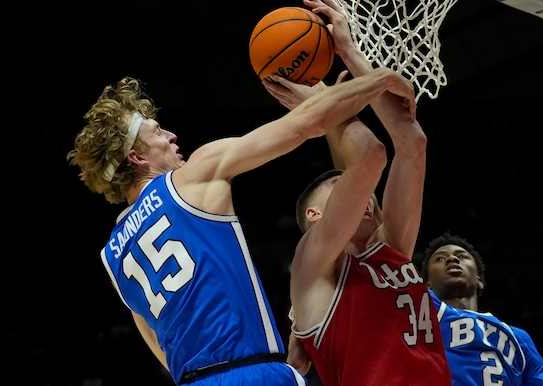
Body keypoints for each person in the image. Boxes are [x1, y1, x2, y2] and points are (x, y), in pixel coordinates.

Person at [66, 68, 418, 385]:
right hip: (253, 372)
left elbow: (160, 347)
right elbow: (306, 123)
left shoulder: (111, 255)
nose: (172, 136)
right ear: (137, 158)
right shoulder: (190, 177)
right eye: (158, 133)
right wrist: (379, 80)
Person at [262, 0, 452, 385]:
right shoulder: (313, 267)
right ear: (314, 217)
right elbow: (370, 156)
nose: (363, 194)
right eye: (339, 187)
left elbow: (412, 142)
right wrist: (324, 106)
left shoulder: (392, 248)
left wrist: (349, 51)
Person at [418, 231, 543, 386]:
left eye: (462, 256)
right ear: (427, 285)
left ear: (479, 280)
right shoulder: (419, 316)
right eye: (440, 258)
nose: (451, 259)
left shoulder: (518, 338)